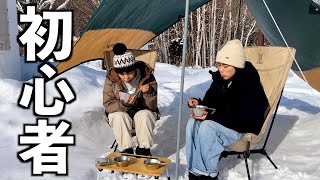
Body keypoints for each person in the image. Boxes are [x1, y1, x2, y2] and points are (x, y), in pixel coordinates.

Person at [186, 39, 268, 180]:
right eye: (219, 65)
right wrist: (199, 104)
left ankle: (208, 175)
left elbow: (246, 118)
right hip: (222, 122)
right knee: (192, 124)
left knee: (207, 127)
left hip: (241, 127)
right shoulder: (220, 80)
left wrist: (211, 117)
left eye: (225, 66)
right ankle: (195, 171)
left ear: (236, 65)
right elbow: (211, 104)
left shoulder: (249, 84)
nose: (221, 70)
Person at [103, 43, 159, 156]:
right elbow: (108, 104)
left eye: (129, 72)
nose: (126, 77)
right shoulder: (112, 80)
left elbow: (152, 107)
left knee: (144, 115)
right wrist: (123, 104)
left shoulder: (147, 76)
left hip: (142, 111)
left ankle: (143, 151)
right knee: (118, 116)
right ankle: (125, 152)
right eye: (122, 74)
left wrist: (149, 92)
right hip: (122, 112)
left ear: (134, 69)